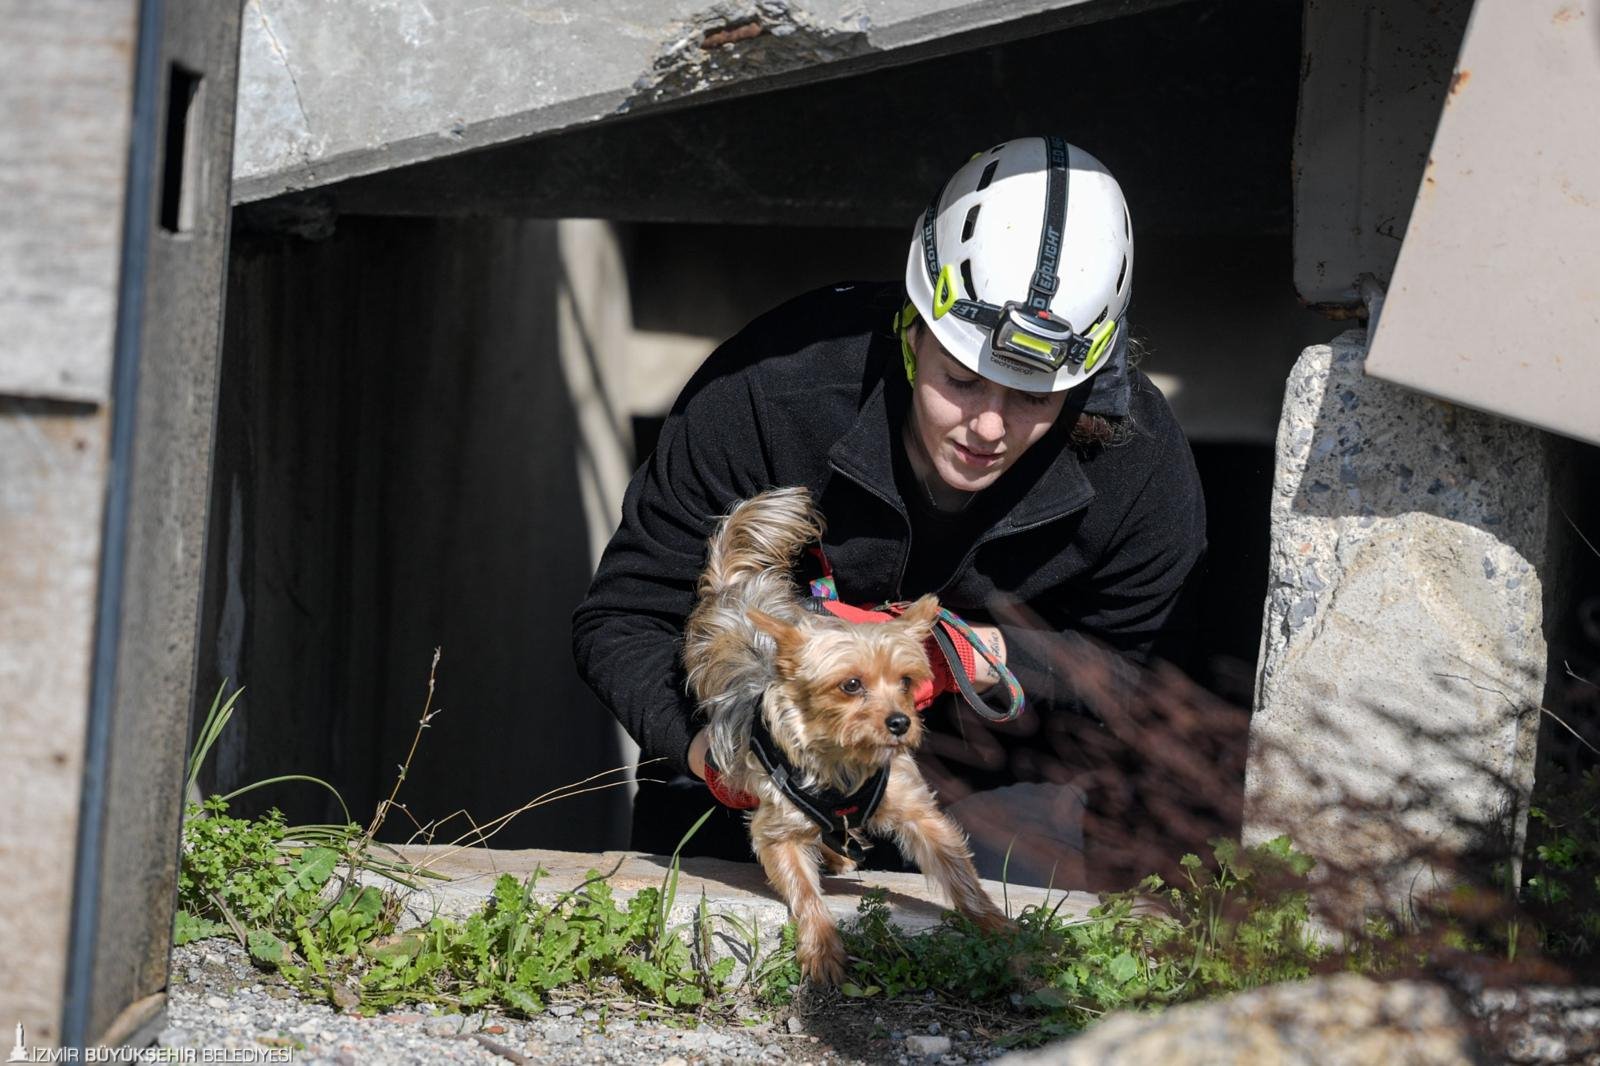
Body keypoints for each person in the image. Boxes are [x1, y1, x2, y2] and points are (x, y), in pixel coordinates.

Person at [572, 137, 1206, 886]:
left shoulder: (1141, 466)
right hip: (745, 765)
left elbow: (1148, 680)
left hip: (992, 791)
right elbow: (625, 615)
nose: (990, 427)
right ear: (914, 335)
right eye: (962, 381)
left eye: (1035, 398)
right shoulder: (767, 392)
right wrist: (713, 752)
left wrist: (975, 654)